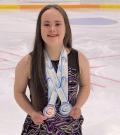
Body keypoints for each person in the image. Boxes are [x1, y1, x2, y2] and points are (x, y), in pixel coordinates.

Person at [14, 4, 90, 135]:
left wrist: (78, 105)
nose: (52, 29)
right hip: (38, 129)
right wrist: (32, 112)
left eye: (58, 24)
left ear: (66, 27)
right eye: (46, 24)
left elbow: (85, 85)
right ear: (39, 29)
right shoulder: (27, 62)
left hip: (70, 129)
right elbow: (18, 92)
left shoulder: (79, 59)